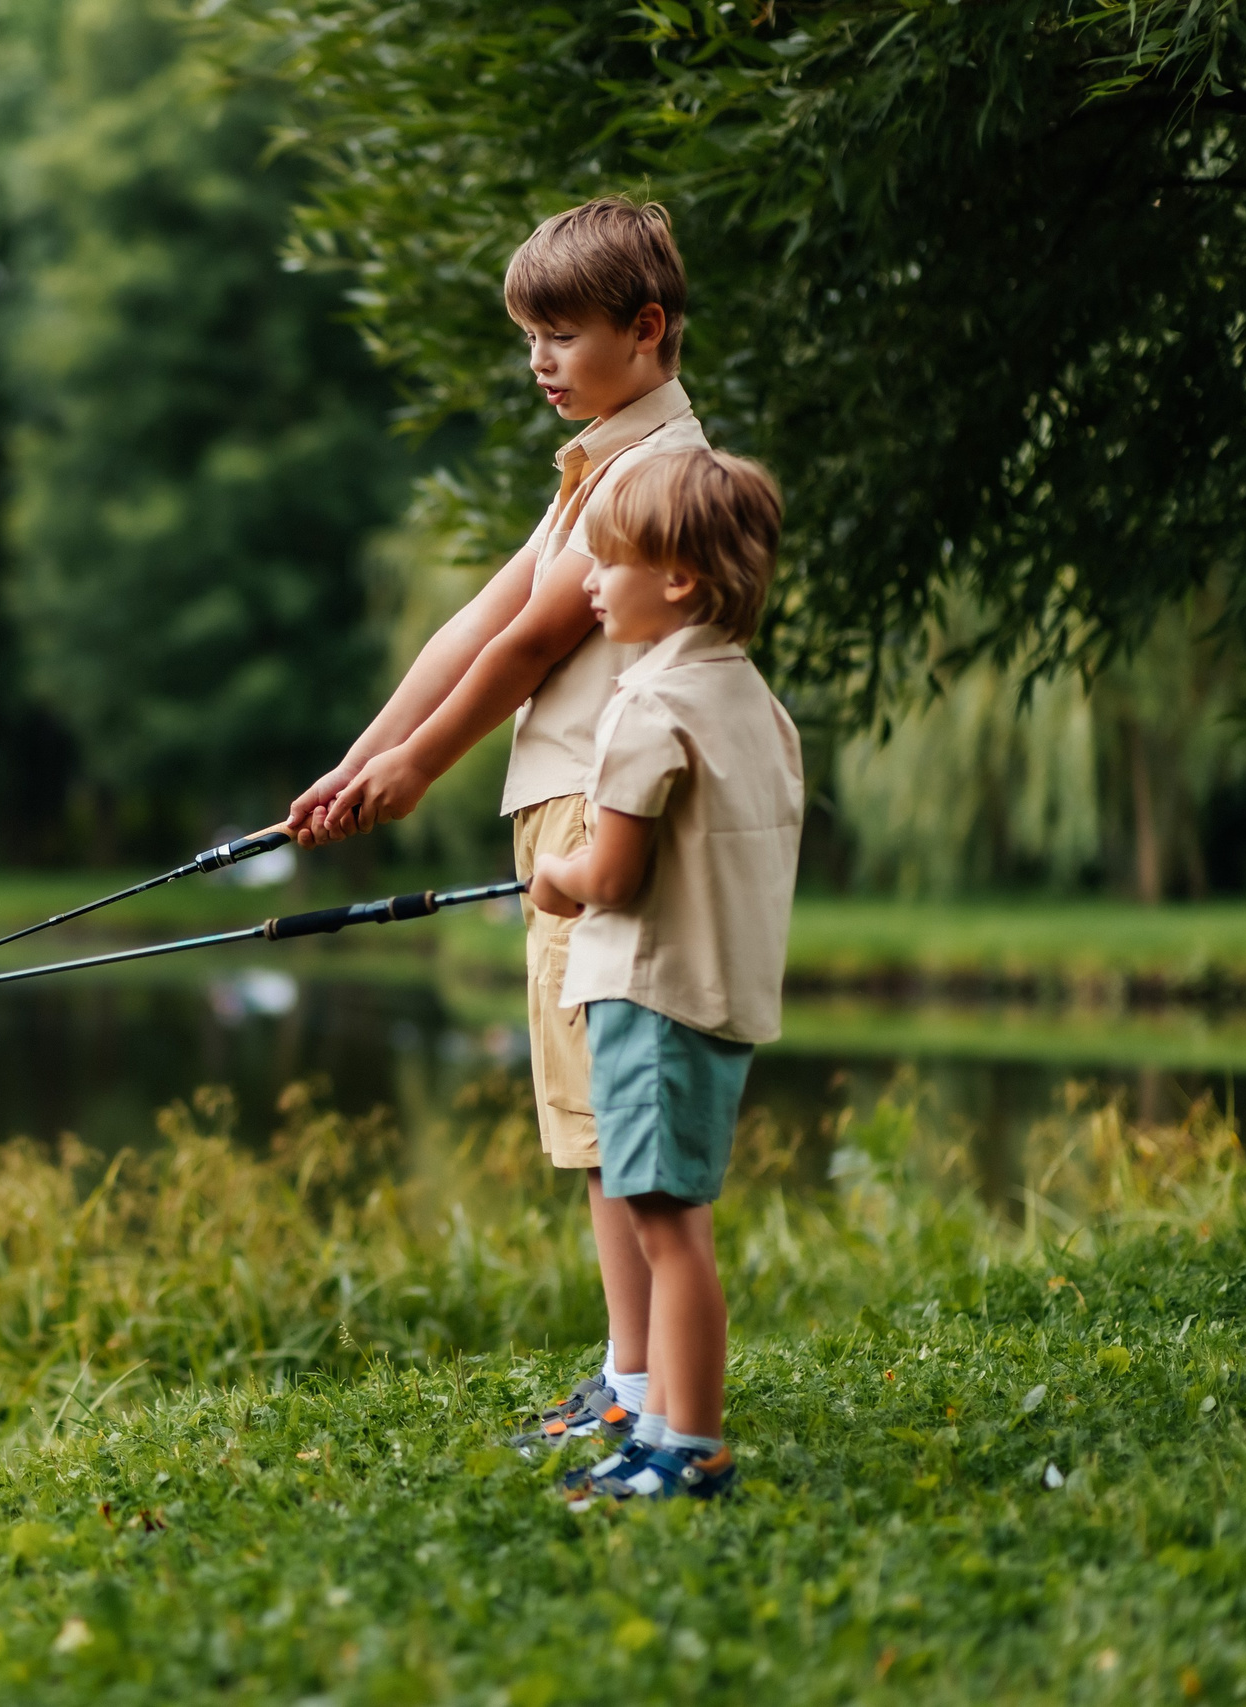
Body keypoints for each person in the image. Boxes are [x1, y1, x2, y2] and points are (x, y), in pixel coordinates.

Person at [287, 198, 705, 1449]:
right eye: (527, 336)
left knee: (618, 1119)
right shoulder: (592, 467)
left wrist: (417, 772)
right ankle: (626, 1377)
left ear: (644, 332)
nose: (536, 361)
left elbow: (531, 645)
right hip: (560, 813)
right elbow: (476, 621)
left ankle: (645, 1399)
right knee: (590, 1125)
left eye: (559, 334)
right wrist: (357, 762)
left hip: (599, 811)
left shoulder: (648, 476)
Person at [529, 449, 802, 1503]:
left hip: (648, 997)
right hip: (720, 996)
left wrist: (553, 879)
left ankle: (687, 1448)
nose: (589, 583)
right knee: (672, 1213)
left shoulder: (645, 708)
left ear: (677, 578)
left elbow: (611, 872)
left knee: (666, 1226)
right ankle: (654, 1426)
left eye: (606, 562)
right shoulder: (755, 706)